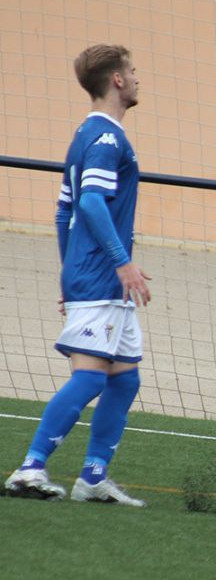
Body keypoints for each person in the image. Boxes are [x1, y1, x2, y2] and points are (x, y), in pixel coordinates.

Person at [3, 44, 151, 507]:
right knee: (89, 378)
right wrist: (120, 262)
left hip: (93, 277)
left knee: (124, 379)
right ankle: (30, 468)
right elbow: (87, 203)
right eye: (133, 71)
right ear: (118, 81)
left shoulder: (85, 134)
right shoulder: (107, 139)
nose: (138, 78)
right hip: (105, 278)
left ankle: (92, 477)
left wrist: (68, 271)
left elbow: (63, 208)